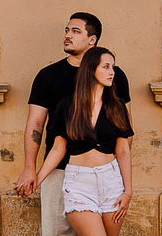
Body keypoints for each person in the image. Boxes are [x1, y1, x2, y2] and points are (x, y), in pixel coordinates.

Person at [14, 13, 131, 236]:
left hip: (106, 174)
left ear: (92, 39)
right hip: (60, 172)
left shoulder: (115, 77)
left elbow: (125, 132)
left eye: (75, 31)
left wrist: (115, 172)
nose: (67, 35)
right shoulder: (49, 76)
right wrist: (31, 169)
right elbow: (36, 124)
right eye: (67, 31)